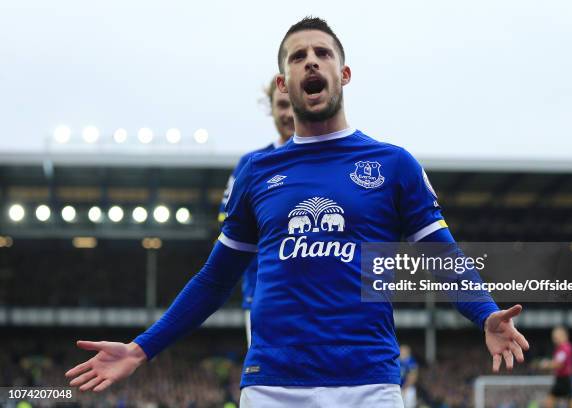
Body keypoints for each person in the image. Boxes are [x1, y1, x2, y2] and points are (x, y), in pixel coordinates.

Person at [65, 17, 529, 407]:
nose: (311, 60)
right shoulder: (257, 172)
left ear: (344, 74)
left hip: (368, 384)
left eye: (323, 53)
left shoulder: (394, 164)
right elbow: (214, 279)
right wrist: (142, 348)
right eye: (298, 55)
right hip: (272, 386)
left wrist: (484, 313)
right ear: (284, 84)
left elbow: (440, 255)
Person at [218, 76, 294, 346]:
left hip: (326, 298)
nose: (287, 113)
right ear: (270, 109)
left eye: (292, 104)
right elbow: (228, 224)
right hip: (265, 296)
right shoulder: (251, 165)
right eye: (281, 105)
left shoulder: (335, 160)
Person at [538, 326, 572, 408]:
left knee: (569, 400)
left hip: (566, 378)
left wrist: (546, 365)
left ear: (564, 336)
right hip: (561, 378)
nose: (554, 339)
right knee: (569, 399)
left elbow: (558, 364)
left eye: (556, 337)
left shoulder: (565, 348)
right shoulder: (560, 348)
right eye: (553, 337)